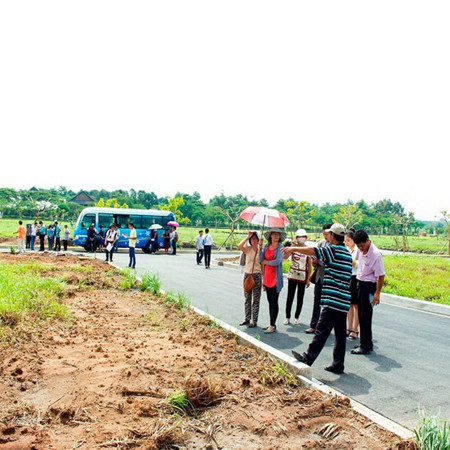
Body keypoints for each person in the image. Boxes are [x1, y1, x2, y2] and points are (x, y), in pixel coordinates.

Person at [286, 224, 353, 374]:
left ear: (333, 236)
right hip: (343, 300)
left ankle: (308, 358)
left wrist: (293, 249)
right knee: (340, 335)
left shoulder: (333, 250)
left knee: (321, 331)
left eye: (329, 235)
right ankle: (338, 364)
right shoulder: (347, 253)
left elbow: (313, 251)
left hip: (333, 299)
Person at [351, 230, 385, 355]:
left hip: (369, 286)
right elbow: (355, 262)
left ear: (367, 240)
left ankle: (365, 345)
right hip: (360, 283)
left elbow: (381, 275)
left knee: (365, 316)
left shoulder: (375, 254)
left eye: (362, 245)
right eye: (358, 246)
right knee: (361, 314)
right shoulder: (360, 250)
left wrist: (377, 293)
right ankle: (364, 342)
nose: (361, 248)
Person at [305, 223, 332, 334]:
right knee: (317, 302)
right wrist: (315, 261)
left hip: (330, 278)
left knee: (328, 305)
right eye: (324, 234)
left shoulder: (335, 246)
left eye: (327, 234)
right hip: (319, 277)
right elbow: (314, 258)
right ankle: (314, 325)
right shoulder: (321, 244)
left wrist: (322, 261)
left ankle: (325, 327)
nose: (325, 236)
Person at [284, 229, 312, 325]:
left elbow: (309, 265)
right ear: (296, 238)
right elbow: (285, 257)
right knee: (290, 296)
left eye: (303, 237)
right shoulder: (293, 248)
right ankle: (287, 317)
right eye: (300, 237)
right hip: (293, 275)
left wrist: (308, 279)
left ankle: (296, 317)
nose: (301, 238)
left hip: (302, 276)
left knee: (300, 297)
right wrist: (291, 247)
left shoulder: (308, 249)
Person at [260, 229, 285, 334]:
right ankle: (271, 322)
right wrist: (260, 248)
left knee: (274, 301)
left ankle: (273, 324)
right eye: (274, 234)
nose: (276, 236)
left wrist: (267, 262)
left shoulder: (280, 247)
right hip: (267, 277)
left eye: (278, 235)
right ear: (270, 236)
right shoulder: (266, 246)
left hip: (275, 278)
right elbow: (261, 259)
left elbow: (278, 261)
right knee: (270, 301)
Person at [238, 231, 263, 328]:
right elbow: (239, 245)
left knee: (256, 299)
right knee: (247, 298)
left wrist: (261, 246)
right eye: (252, 239)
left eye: (255, 239)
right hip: (248, 275)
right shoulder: (247, 249)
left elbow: (263, 264)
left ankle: (254, 320)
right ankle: (247, 318)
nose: (254, 241)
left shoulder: (261, 250)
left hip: (257, 275)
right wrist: (247, 236)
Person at [345, 230, 359, 340]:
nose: (347, 243)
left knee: (356, 305)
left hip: (356, 278)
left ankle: (355, 329)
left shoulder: (357, 250)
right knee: (349, 305)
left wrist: (349, 260)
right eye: (345, 241)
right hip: (348, 277)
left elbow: (357, 264)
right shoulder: (347, 250)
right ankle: (349, 327)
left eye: (348, 240)